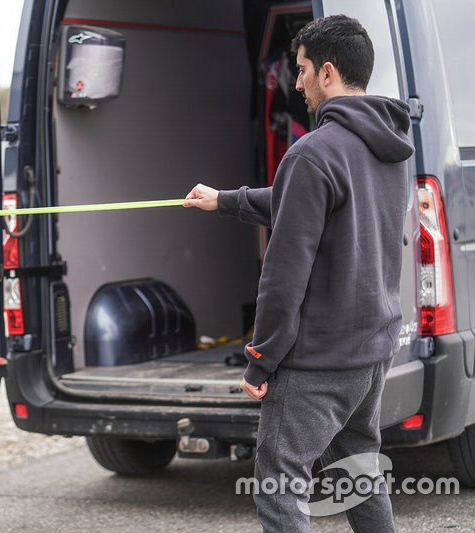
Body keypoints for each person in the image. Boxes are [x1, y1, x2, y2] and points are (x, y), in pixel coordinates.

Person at [183, 15, 413, 533]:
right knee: (361, 473)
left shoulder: (312, 153)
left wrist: (260, 359)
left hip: (319, 361)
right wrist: (224, 200)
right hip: (369, 352)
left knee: (279, 481)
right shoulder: (389, 149)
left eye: (302, 69)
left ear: (327, 72)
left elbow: (283, 275)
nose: (297, 82)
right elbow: (304, 203)